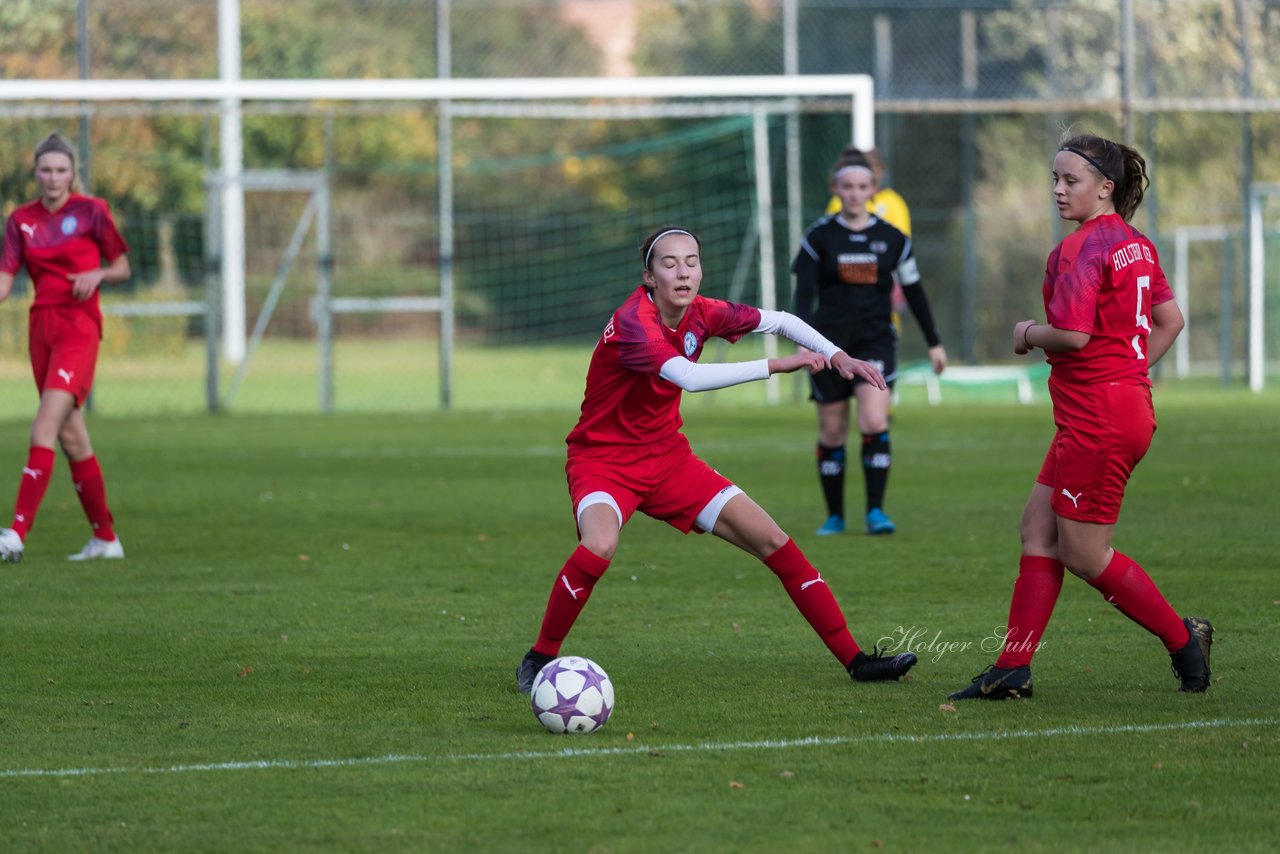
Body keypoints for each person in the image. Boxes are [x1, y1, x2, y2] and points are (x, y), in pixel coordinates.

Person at [516, 225, 919, 693]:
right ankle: (540, 656)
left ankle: (857, 661)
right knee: (600, 546)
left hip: (668, 459)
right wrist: (776, 365)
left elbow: (783, 320)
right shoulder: (634, 322)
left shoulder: (705, 312)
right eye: (670, 264)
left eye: (692, 262)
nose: (683, 272)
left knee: (773, 539)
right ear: (648, 276)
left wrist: (838, 355)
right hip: (603, 461)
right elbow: (688, 377)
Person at [949, 133, 1211, 701]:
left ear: (1105, 187)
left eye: (1071, 180)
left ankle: (1183, 639)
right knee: (1038, 529)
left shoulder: (1082, 247)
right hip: (1115, 407)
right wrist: (1127, 372)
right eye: (1055, 179)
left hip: (1098, 418)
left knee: (1086, 554)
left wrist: (1025, 334)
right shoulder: (1135, 244)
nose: (1058, 190)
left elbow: (1071, 334)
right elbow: (1171, 321)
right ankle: (1012, 668)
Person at [794, 147, 946, 536]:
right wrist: (801, 340)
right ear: (835, 188)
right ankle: (834, 516)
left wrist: (933, 341)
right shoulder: (818, 238)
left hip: (875, 340)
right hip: (827, 344)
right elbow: (803, 294)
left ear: (874, 189)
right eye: (847, 186)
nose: (855, 193)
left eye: (863, 186)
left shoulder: (892, 239)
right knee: (831, 430)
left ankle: (876, 512)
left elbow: (914, 291)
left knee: (874, 419)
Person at [0, 133, 130, 563]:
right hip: (42, 329)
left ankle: (15, 535)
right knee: (73, 438)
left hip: (79, 327)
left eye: (61, 170)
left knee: (44, 429)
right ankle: (106, 539)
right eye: (45, 170)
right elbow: (5, 279)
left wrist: (98, 274)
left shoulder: (93, 212)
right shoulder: (20, 219)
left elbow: (122, 267)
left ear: (73, 173)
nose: (53, 178)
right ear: (34, 173)